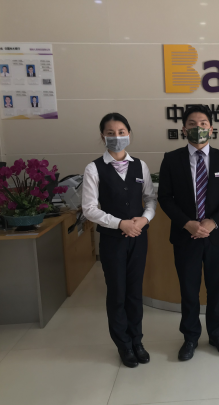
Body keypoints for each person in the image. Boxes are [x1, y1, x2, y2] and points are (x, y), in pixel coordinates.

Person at [158, 105, 219, 362]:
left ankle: (216, 334)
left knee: (217, 288)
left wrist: (213, 222)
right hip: (186, 236)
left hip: (217, 237)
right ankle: (191, 337)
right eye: (192, 124)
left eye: (203, 123)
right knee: (189, 289)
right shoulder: (171, 159)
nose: (198, 128)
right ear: (184, 129)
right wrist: (187, 224)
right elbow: (165, 198)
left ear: (211, 128)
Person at [82, 112, 157, 368]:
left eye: (122, 132)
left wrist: (144, 219)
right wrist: (120, 223)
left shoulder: (140, 166)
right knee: (117, 293)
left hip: (139, 238)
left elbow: (150, 199)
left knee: (135, 292)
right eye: (111, 133)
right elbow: (89, 209)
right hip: (112, 240)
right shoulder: (94, 168)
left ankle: (137, 341)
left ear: (129, 134)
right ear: (102, 136)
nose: (117, 137)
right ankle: (123, 344)